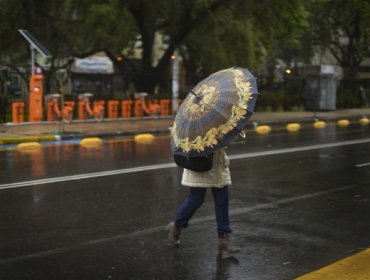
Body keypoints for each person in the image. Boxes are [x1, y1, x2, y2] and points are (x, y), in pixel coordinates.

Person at [167, 148, 239, 255]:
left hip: (218, 164)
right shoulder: (192, 130)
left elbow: (228, 140)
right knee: (196, 199)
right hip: (199, 164)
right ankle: (176, 226)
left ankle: (223, 239)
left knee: (222, 202)